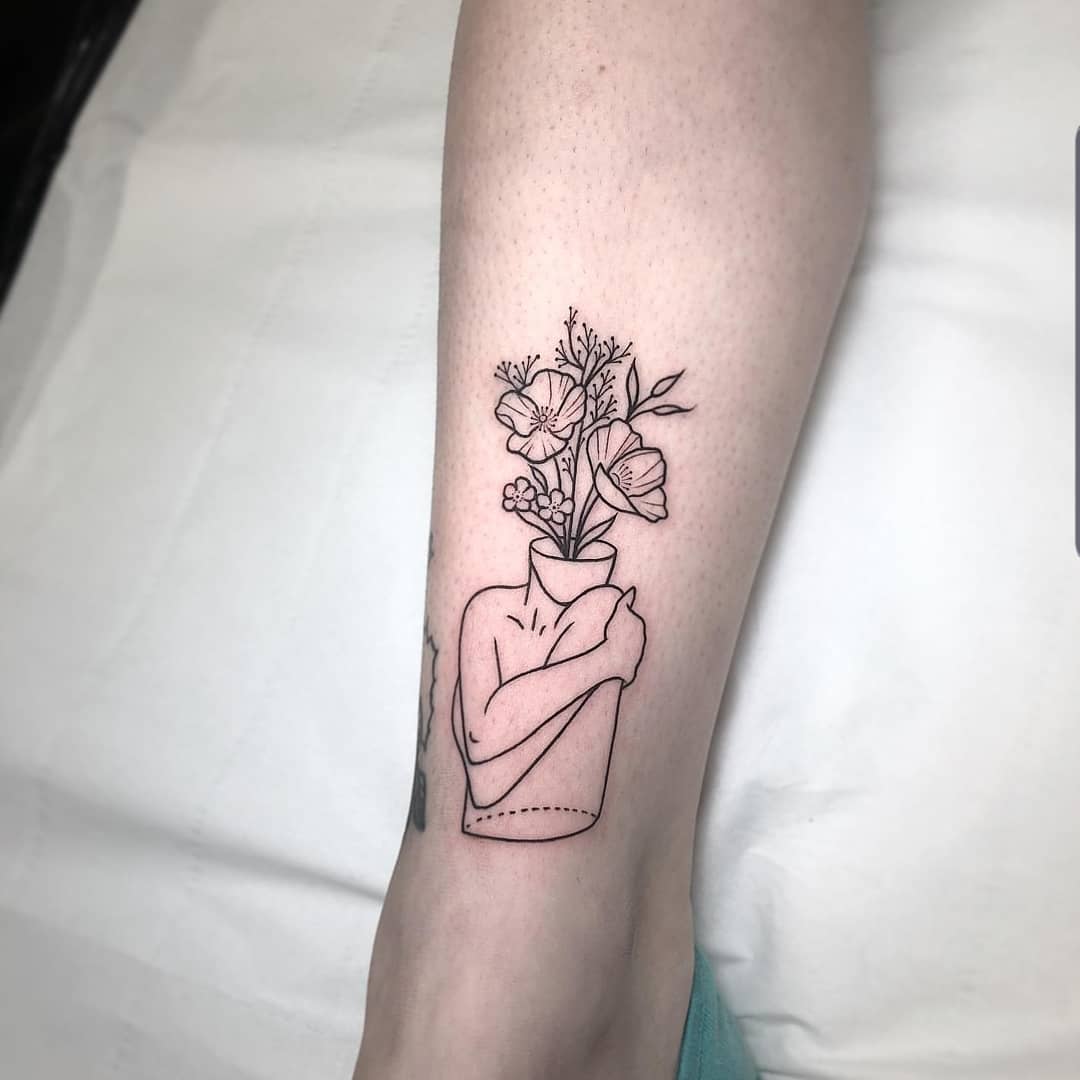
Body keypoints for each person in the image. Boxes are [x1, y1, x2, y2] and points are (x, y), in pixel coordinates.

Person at [356, 2, 871, 1076]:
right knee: (490, 920)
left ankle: (538, 951)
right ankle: (495, 944)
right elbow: (487, 748)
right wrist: (599, 660)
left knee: (511, 936)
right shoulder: (499, 615)